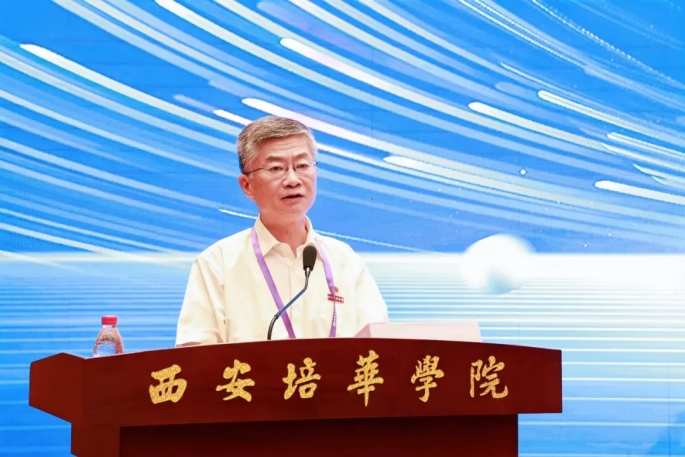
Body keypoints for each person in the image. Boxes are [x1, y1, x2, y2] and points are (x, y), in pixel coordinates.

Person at [175, 115, 389, 346]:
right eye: (276, 168)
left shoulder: (345, 261)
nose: (292, 180)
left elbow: (381, 348)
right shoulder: (217, 264)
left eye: (302, 166)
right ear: (247, 185)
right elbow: (194, 357)